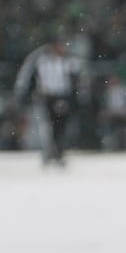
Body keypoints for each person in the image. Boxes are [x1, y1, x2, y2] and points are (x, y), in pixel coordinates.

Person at [13, 39, 86, 167]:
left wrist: (74, 98)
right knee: (47, 126)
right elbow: (27, 77)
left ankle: (58, 152)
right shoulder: (40, 60)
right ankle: (49, 152)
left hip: (62, 97)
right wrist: (24, 93)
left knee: (61, 126)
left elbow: (77, 80)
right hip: (46, 97)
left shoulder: (69, 62)